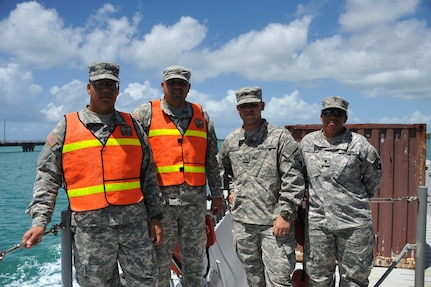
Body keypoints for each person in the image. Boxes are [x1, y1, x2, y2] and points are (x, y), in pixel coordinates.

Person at [22, 62, 164, 287]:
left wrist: (155, 216)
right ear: (89, 88)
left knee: (146, 281)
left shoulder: (133, 125)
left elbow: (148, 174)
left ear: (118, 89)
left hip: (134, 226)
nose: (106, 90)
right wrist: (40, 221)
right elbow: (47, 176)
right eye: (100, 85)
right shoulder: (67, 127)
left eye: (111, 84)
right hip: (91, 231)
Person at [132, 65, 223, 286]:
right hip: (160, 206)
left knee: (194, 260)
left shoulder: (201, 116)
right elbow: (134, 158)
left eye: (181, 84)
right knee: (160, 261)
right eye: (172, 83)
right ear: (163, 86)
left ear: (188, 88)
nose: (177, 87)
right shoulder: (145, 114)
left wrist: (218, 194)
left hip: (194, 205)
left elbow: (211, 158)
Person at [221, 86, 305, 287]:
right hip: (244, 224)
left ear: (262, 106)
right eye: (244, 106)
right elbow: (224, 171)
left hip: (274, 225)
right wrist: (230, 192)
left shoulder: (280, 137)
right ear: (237, 109)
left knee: (278, 281)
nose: (249, 109)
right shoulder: (232, 141)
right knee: (254, 280)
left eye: (253, 105)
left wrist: (285, 214)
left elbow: (294, 177)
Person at [300, 96, 382, 287]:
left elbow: (373, 179)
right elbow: (299, 176)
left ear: (345, 117)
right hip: (318, 224)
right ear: (321, 116)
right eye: (328, 112)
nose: (333, 117)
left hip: (354, 223)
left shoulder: (359, 145)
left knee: (354, 280)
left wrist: (351, 201)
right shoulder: (307, 143)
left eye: (338, 113)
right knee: (318, 279)